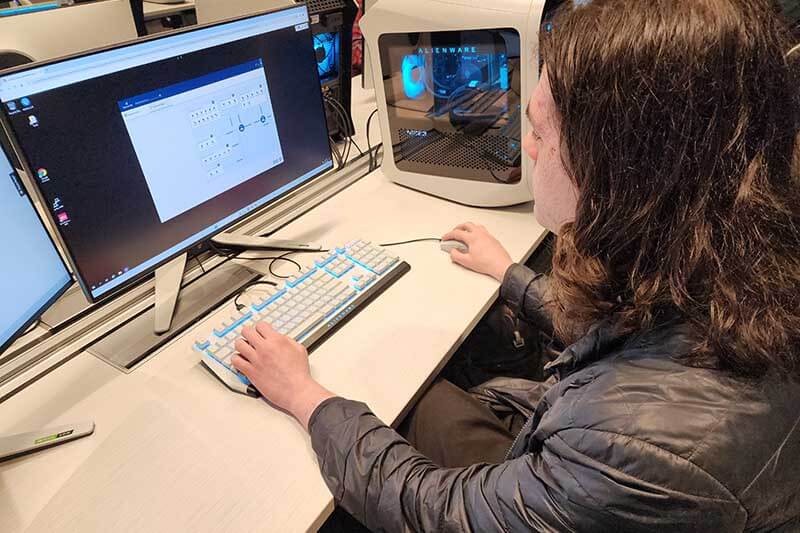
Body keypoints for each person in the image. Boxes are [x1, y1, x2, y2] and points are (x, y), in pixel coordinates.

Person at [231, 0, 800, 530]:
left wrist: (304, 395)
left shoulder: (637, 451)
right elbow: (639, 329)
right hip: (572, 443)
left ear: (619, 169)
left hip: (566, 466)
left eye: (540, 130)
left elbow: (436, 507)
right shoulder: (734, 261)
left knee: (389, 408)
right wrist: (511, 275)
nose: (527, 147)